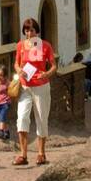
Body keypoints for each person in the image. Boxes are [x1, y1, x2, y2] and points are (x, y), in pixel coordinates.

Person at [13, 17, 56, 166]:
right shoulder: (21, 46)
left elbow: (53, 65)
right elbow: (17, 64)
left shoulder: (45, 46)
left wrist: (47, 74)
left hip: (40, 86)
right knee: (22, 118)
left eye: (31, 30)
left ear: (37, 31)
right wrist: (19, 71)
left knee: (41, 118)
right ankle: (23, 155)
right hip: (25, 86)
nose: (29, 33)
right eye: (26, 30)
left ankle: (41, 153)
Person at [0, 65, 13, 142]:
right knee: (1, 119)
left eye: (1, 75)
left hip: (5, 103)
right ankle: (7, 132)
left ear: (5, 76)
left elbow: (13, 86)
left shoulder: (7, 83)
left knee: (2, 117)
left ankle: (1, 131)